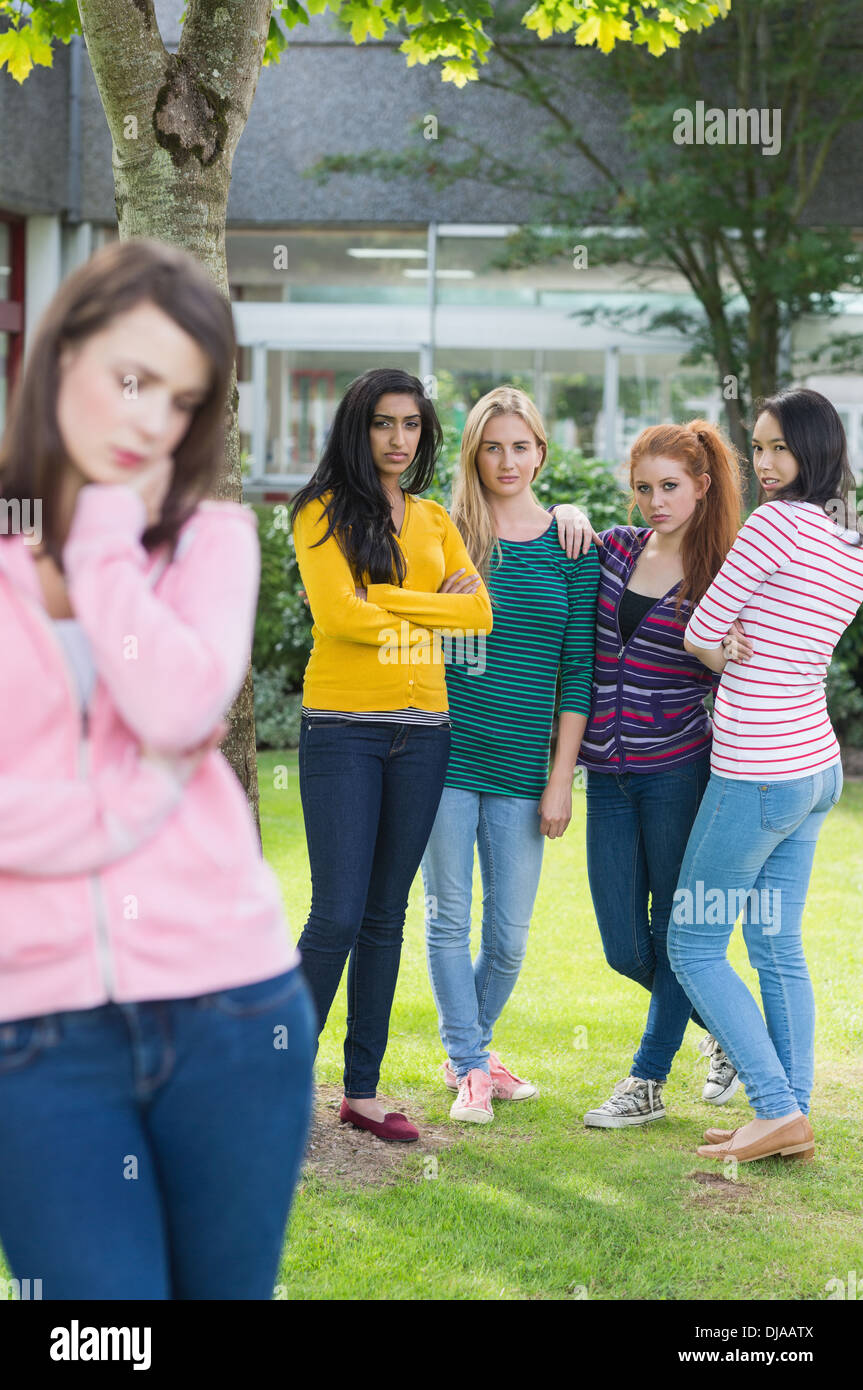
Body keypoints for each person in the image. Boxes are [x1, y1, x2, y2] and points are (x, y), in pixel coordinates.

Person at [0, 237, 315, 1299]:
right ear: (61, 352)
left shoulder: (213, 541)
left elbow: (179, 703)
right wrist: (137, 793)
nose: (150, 420)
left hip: (232, 1010)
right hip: (29, 1031)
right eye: (132, 378)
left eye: (180, 399)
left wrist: (98, 544)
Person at [290, 368, 493, 1143]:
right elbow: (339, 619)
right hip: (344, 729)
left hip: (424, 734)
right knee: (336, 912)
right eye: (383, 424)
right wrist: (418, 608)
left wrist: (385, 598)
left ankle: (362, 1092)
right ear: (358, 427)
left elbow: (475, 615)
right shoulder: (319, 511)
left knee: (384, 915)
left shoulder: (436, 519)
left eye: (410, 425)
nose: (398, 439)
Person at [669, 388, 863, 1165]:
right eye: (757, 447)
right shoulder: (847, 541)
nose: (766, 462)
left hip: (756, 768)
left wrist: (721, 648)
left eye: (780, 447)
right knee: (776, 943)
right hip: (814, 769)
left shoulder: (774, 524)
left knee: (692, 945)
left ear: (814, 450)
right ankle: (792, 1118)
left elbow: (700, 630)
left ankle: (776, 1108)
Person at [420, 387, 600, 1123]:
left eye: (519, 446)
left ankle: (467, 1049)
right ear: (473, 452)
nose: (506, 460)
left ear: (540, 452)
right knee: (445, 918)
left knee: (509, 936)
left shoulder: (569, 542)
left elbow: (578, 669)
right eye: (491, 446)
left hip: (527, 770)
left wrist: (561, 780)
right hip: (445, 757)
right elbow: (409, 631)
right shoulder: (442, 534)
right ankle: (469, 1065)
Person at [575, 420, 747, 1128]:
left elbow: (747, 656)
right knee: (622, 944)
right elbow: (560, 548)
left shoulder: (723, 572)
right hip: (605, 776)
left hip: (677, 770)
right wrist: (565, 512)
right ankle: (729, 1030)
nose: (654, 500)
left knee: (677, 932)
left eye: (669, 487)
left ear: (701, 487)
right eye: (643, 488)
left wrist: (723, 651)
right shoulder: (614, 551)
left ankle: (645, 1082)